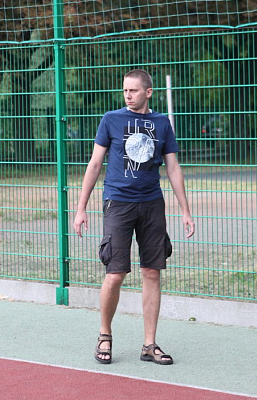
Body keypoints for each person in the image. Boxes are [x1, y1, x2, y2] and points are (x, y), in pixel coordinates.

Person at [73, 69, 194, 365]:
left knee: (152, 272)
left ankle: (149, 344)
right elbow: (94, 164)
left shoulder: (161, 123)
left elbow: (173, 167)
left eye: (134, 90)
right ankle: (104, 335)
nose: (128, 95)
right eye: (125, 90)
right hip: (118, 203)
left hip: (151, 204)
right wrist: (81, 208)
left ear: (148, 92)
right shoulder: (111, 119)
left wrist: (185, 210)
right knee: (115, 274)